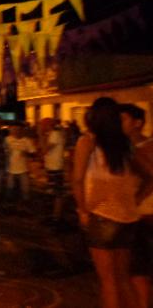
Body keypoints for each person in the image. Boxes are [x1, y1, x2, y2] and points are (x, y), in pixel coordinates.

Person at [72, 97, 141, 308]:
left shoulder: (87, 141)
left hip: (101, 217)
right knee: (123, 278)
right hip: (128, 218)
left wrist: (82, 210)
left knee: (108, 281)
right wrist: (135, 198)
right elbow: (148, 175)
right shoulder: (125, 143)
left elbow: (77, 179)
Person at [119, 104, 153, 308]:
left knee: (139, 267)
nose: (118, 124)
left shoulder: (147, 147)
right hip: (132, 215)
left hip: (146, 213)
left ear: (138, 123)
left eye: (123, 119)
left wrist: (137, 198)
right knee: (137, 268)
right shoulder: (122, 149)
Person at [4, 122, 36, 212]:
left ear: (21, 130)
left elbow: (33, 153)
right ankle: (10, 206)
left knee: (25, 189)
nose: (16, 131)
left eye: (18, 129)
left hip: (23, 169)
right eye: (14, 129)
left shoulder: (26, 140)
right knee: (9, 189)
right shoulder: (7, 140)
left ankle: (24, 207)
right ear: (10, 130)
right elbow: (3, 152)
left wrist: (27, 153)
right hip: (10, 169)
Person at [41, 118, 66, 225]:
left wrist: (40, 135)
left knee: (57, 193)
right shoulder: (54, 134)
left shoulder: (55, 134)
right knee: (54, 192)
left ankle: (56, 217)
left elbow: (44, 150)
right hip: (53, 167)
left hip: (55, 167)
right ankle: (55, 216)